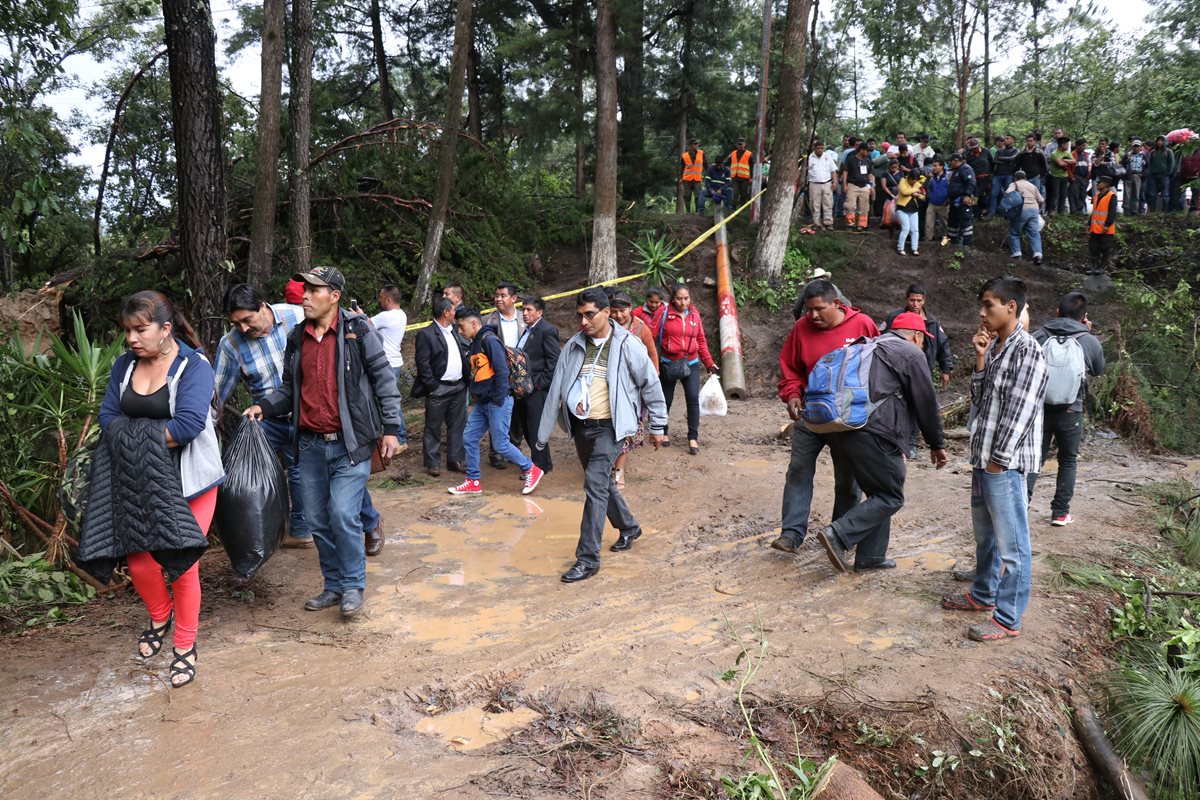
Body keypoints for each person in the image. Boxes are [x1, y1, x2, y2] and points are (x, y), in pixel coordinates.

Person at [82, 291, 224, 688]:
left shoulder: (193, 367)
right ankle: (160, 615)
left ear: (165, 329)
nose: (131, 338)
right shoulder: (124, 366)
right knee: (141, 562)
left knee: (181, 563)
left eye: (140, 329)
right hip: (137, 478)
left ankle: (184, 646)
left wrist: (131, 437)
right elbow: (108, 417)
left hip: (190, 482)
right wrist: (141, 439)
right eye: (127, 330)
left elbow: (188, 427)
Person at [244, 266, 403, 618]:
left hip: (351, 444)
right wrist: (264, 406)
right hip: (311, 445)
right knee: (317, 520)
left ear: (334, 296)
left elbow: (383, 380)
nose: (305, 295)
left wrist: (391, 427)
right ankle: (333, 585)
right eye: (305, 289)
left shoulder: (358, 331)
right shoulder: (297, 337)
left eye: (315, 290)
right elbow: (289, 388)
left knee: (343, 514)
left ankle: (353, 586)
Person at [535, 288, 667, 583]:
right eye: (579, 315)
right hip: (583, 426)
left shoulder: (628, 345)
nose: (583, 322)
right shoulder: (573, 345)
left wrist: (658, 426)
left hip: (612, 427)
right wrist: (543, 435)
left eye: (590, 315)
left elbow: (650, 384)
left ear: (607, 313)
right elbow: (557, 387)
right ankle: (629, 526)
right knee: (603, 484)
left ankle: (588, 558)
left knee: (594, 484)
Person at [941, 276, 1046, 643]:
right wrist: (981, 358)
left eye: (989, 305)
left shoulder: (1027, 350)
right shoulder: (999, 348)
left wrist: (999, 462)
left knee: (1013, 546)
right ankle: (982, 595)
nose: (982, 313)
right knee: (986, 538)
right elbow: (980, 401)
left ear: (1011, 307)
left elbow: (1021, 411)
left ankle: (1007, 619)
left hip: (1005, 464)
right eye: (982, 305)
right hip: (984, 460)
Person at [817, 312, 949, 573]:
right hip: (875, 432)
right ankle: (838, 534)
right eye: (923, 340)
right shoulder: (910, 353)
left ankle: (871, 557)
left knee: (877, 492)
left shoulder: (863, 345)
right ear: (917, 335)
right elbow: (925, 401)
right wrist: (936, 443)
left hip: (841, 428)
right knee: (890, 495)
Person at [771, 279, 877, 554]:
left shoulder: (862, 324)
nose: (813, 315)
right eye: (809, 309)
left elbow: (878, 365)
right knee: (798, 470)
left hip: (848, 419)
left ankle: (839, 537)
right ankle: (791, 534)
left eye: (819, 309)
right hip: (809, 415)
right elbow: (789, 368)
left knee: (847, 479)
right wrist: (792, 395)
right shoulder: (800, 329)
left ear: (838, 304)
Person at [214, 283, 309, 548]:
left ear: (263, 306)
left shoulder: (297, 316)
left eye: (247, 320)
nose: (243, 328)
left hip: (306, 414)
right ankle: (258, 534)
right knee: (245, 473)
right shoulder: (231, 344)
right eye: (236, 323)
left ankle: (301, 530)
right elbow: (216, 393)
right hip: (266, 420)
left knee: (302, 472)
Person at [1027, 292, 1105, 526]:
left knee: (1033, 459)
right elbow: (1097, 370)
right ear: (1084, 317)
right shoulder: (1088, 340)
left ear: (1057, 312)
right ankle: (1060, 513)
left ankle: (1021, 504)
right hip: (1071, 410)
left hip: (1038, 409)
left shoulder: (1039, 335)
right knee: (1068, 460)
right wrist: (1088, 333)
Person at [448, 307, 543, 496]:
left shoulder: (489, 340)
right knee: (469, 438)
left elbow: (502, 371)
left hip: (498, 401)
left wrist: (499, 399)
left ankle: (531, 468)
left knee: (500, 444)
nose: (460, 331)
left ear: (474, 324)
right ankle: (473, 481)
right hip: (483, 402)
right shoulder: (475, 343)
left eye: (461, 326)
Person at [653, 283, 718, 454]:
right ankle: (664, 431)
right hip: (668, 362)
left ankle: (693, 437)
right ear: (673, 299)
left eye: (686, 298)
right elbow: (651, 337)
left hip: (691, 362)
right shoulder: (663, 313)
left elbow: (701, 340)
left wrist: (709, 362)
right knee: (666, 399)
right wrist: (652, 362)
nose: (683, 302)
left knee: (692, 398)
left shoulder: (694, 314)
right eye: (679, 299)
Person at [412, 296, 468, 478]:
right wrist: (433, 387)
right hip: (439, 389)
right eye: (453, 310)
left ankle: (455, 459)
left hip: (458, 387)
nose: (455, 313)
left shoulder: (454, 330)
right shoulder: (426, 334)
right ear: (446, 312)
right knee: (433, 427)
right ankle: (433, 462)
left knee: (457, 425)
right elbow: (423, 364)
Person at [607, 290, 657, 490]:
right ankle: (606, 464)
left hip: (632, 390)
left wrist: (651, 385)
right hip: (607, 387)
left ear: (630, 309)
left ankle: (619, 470)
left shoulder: (640, 328)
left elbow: (652, 356)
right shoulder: (603, 327)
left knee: (625, 429)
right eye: (614, 311)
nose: (618, 316)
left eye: (622, 311)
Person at [514, 295, 560, 473]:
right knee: (527, 428)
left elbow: (554, 362)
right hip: (524, 389)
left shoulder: (546, 330)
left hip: (537, 390)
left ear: (539, 312)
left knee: (536, 429)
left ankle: (539, 467)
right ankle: (543, 464)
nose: (524, 313)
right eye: (523, 309)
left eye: (529, 310)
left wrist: (539, 384)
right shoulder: (527, 330)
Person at [482, 282, 525, 469]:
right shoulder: (487, 321)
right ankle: (496, 452)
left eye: (503, 295)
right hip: (497, 374)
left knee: (518, 414)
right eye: (497, 295)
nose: (498, 299)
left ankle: (513, 447)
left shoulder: (525, 319)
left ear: (514, 299)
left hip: (520, 374)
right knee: (497, 411)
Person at [1005, 169, 1045, 265]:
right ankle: (1038, 255)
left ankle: (1017, 254)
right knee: (1034, 233)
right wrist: (1037, 209)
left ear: (1015, 178)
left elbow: (1007, 193)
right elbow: (1041, 200)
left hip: (1022, 210)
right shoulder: (1032, 185)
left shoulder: (1014, 184)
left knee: (1014, 232)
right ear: (1025, 177)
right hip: (1034, 210)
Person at [840, 141, 875, 231]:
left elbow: (870, 174)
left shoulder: (868, 161)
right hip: (852, 185)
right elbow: (845, 172)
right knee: (850, 206)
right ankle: (850, 224)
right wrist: (844, 185)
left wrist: (872, 186)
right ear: (861, 150)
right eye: (867, 151)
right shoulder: (851, 160)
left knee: (864, 207)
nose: (868, 153)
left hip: (864, 186)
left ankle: (861, 225)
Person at [1088, 175, 1118, 274]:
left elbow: (1112, 213)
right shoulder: (1097, 196)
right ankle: (1094, 267)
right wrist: (1089, 224)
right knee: (1094, 248)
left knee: (1104, 248)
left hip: (1105, 229)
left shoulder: (1112, 196)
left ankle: (1102, 267)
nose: (1097, 184)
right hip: (1095, 228)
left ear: (1105, 184)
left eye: (1099, 183)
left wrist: (1107, 225)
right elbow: (1095, 211)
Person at [807, 139, 839, 230]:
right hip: (814, 184)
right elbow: (803, 170)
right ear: (814, 148)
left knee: (828, 203)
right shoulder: (810, 157)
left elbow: (833, 171)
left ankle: (828, 223)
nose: (820, 150)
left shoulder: (828, 157)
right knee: (814, 204)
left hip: (827, 183)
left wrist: (835, 182)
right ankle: (816, 223)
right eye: (818, 148)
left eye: (822, 148)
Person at [947, 152, 977, 246]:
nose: (949, 163)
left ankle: (967, 244)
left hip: (966, 199)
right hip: (956, 200)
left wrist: (967, 195)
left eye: (951, 161)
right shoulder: (956, 170)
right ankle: (953, 241)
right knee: (953, 220)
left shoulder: (966, 169)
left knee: (966, 220)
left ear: (956, 161)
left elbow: (971, 182)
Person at [895, 169, 926, 256]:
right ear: (909, 178)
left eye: (916, 179)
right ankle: (900, 248)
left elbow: (923, 196)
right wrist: (915, 191)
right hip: (902, 209)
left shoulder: (917, 183)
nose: (914, 181)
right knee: (906, 228)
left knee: (915, 230)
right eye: (912, 179)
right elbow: (904, 192)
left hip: (914, 209)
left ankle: (915, 248)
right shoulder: (903, 181)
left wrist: (918, 195)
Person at [989, 134, 1019, 219]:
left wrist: (1001, 159)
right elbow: (994, 160)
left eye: (1007, 139)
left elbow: (1012, 159)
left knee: (1008, 194)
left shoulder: (1015, 150)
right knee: (993, 194)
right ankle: (991, 213)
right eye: (1005, 138)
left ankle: (1007, 213)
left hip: (1009, 174)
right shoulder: (999, 151)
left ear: (1012, 140)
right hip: (997, 175)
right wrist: (1007, 161)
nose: (1005, 140)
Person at [1046, 137, 1075, 215]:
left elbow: (1074, 161)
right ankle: (1051, 210)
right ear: (1062, 145)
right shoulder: (1054, 153)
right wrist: (1065, 162)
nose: (1068, 146)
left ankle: (1061, 211)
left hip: (1064, 176)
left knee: (1063, 194)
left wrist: (1064, 160)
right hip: (1055, 176)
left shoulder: (1067, 153)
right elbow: (1060, 164)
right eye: (1067, 145)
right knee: (1055, 194)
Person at [964, 138, 994, 215]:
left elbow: (992, 163)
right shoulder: (968, 155)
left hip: (986, 177)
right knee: (974, 195)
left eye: (975, 148)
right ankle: (974, 212)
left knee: (982, 194)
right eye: (972, 149)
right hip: (975, 178)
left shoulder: (986, 151)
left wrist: (992, 174)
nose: (974, 150)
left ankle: (985, 209)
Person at [1146, 135, 1175, 212]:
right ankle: (1152, 211)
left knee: (1165, 194)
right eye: (1158, 140)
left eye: (1161, 140)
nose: (1159, 142)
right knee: (1152, 194)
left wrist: (1168, 173)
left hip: (1164, 175)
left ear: (1165, 142)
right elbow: (1150, 163)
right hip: (1153, 175)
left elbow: (1171, 164)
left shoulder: (1168, 151)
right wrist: (1150, 172)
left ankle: (1164, 212)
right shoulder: (1153, 152)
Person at [925, 157, 950, 241]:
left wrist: (948, 200)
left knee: (945, 223)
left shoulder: (948, 175)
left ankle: (945, 239)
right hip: (932, 203)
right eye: (933, 166)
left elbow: (952, 188)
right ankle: (928, 240)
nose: (933, 168)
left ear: (941, 166)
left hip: (944, 204)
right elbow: (926, 187)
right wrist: (929, 196)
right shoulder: (931, 177)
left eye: (935, 166)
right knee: (929, 223)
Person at [1121, 139, 1147, 215]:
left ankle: (1134, 210)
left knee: (1136, 193)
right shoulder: (1127, 154)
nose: (1136, 148)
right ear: (1132, 147)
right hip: (1128, 175)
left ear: (1140, 147)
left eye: (1137, 146)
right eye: (1134, 146)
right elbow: (1122, 165)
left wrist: (1143, 174)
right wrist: (1127, 160)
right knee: (1127, 194)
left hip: (1138, 175)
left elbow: (1148, 166)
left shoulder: (1143, 155)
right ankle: (1126, 210)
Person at [680, 138, 705, 213]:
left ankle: (698, 212)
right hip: (687, 179)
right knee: (687, 196)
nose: (696, 145)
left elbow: (706, 164)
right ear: (690, 145)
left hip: (697, 179)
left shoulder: (701, 153)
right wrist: (680, 178)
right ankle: (688, 212)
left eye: (697, 144)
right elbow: (682, 168)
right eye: (694, 144)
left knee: (698, 196)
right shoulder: (684, 155)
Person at [728, 138, 754, 206]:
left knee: (744, 193)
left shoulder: (749, 154)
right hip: (735, 177)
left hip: (745, 177)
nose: (740, 146)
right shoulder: (733, 153)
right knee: (735, 193)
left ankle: (742, 207)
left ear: (744, 145)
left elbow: (752, 166)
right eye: (738, 144)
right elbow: (728, 162)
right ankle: (733, 207)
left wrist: (751, 177)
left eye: (741, 144)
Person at [1069, 139, 1091, 214]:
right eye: (1083, 145)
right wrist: (1071, 176)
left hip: (1084, 178)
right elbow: (1068, 167)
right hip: (1076, 176)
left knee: (1082, 194)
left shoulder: (1086, 154)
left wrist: (1088, 174)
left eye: (1085, 145)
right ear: (1078, 146)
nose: (1084, 147)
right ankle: (1074, 211)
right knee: (1074, 194)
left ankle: (1080, 210)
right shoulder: (1072, 154)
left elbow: (1089, 165)